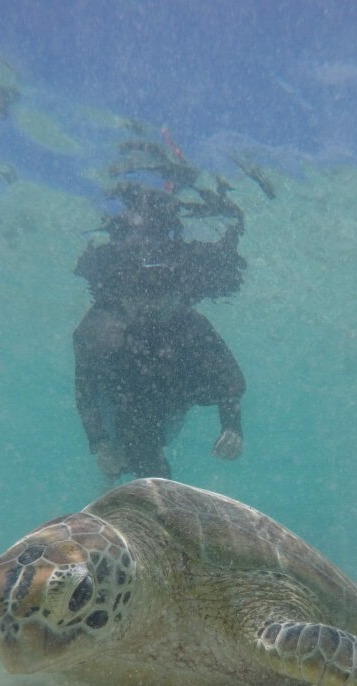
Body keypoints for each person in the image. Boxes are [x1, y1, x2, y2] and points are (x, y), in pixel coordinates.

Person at [73, 153, 248, 481]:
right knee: (131, 445)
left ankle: (132, 471)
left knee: (142, 446)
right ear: (121, 295)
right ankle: (123, 473)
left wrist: (232, 427)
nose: (149, 307)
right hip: (122, 394)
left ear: (178, 295)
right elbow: (85, 387)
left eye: (160, 297)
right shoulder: (100, 328)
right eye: (139, 297)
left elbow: (230, 380)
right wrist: (100, 443)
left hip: (169, 396)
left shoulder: (192, 328)